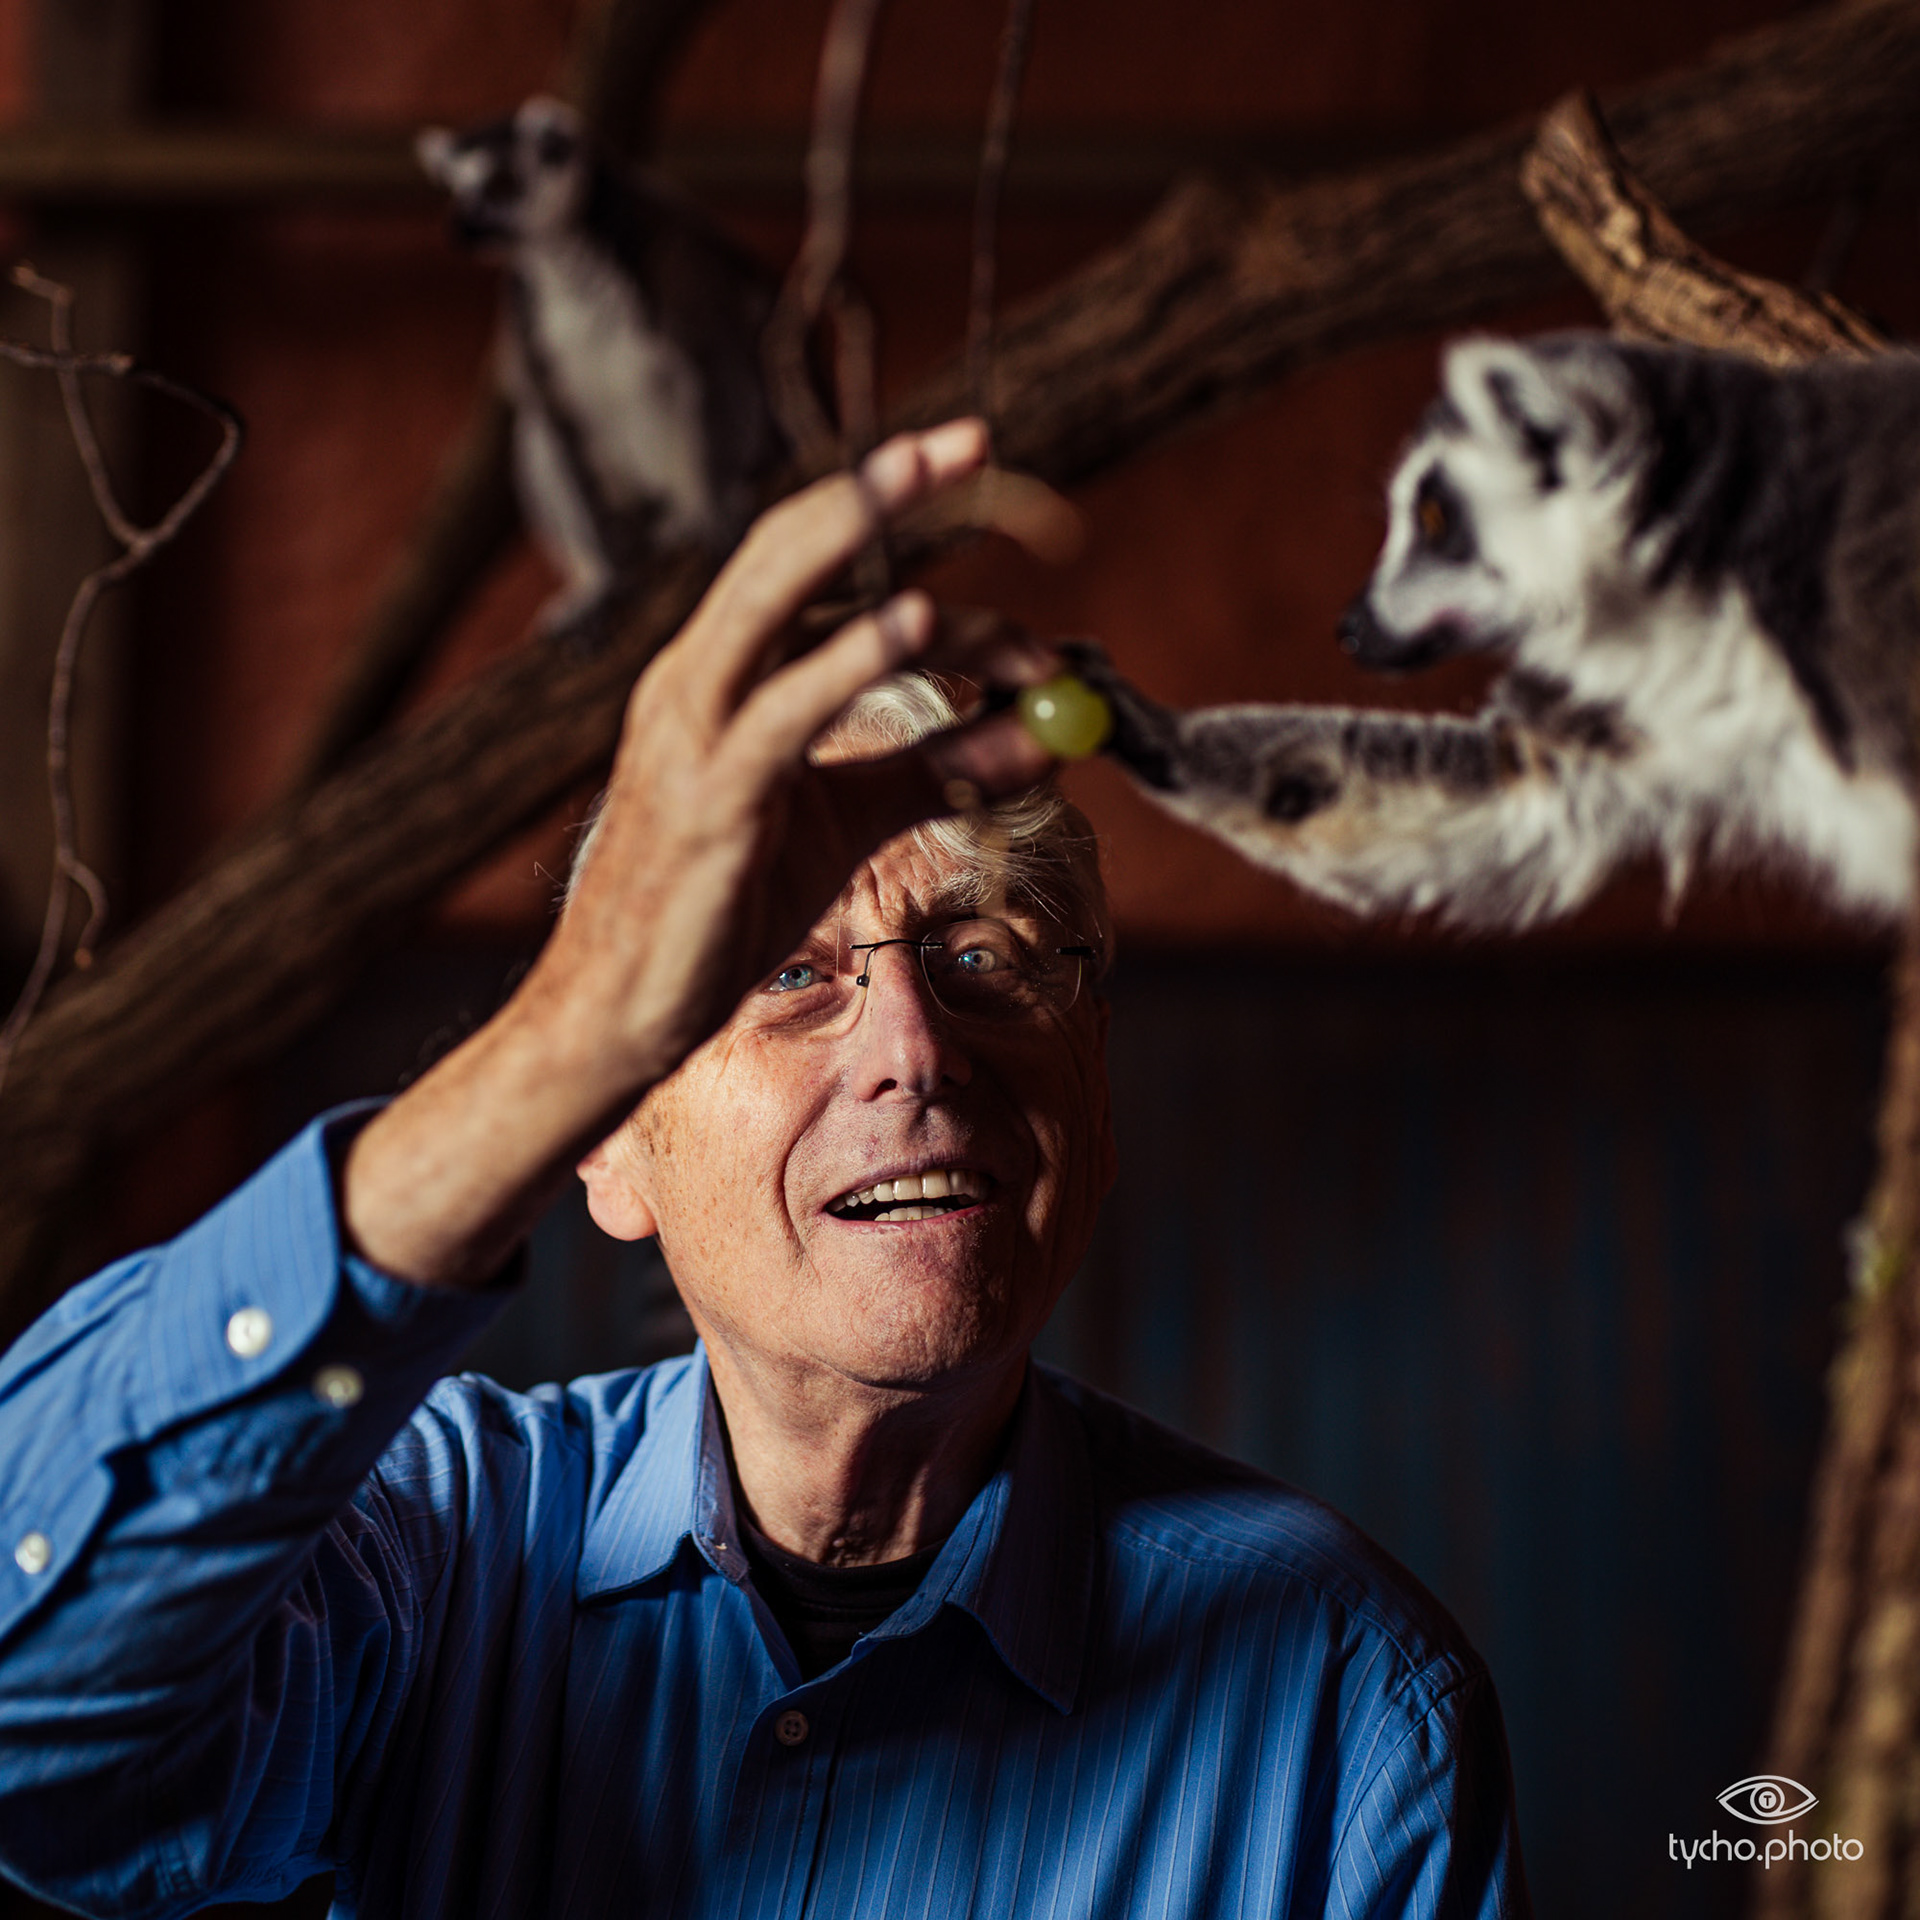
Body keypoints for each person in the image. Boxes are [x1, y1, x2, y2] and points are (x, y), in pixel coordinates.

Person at [0, 420, 1526, 1918]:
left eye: (984, 956)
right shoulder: (433, 1549)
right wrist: (571, 1025)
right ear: (610, 1142)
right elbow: (39, 1739)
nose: (916, 1050)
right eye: (785, 975)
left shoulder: (1347, 1699)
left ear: (1098, 1104)